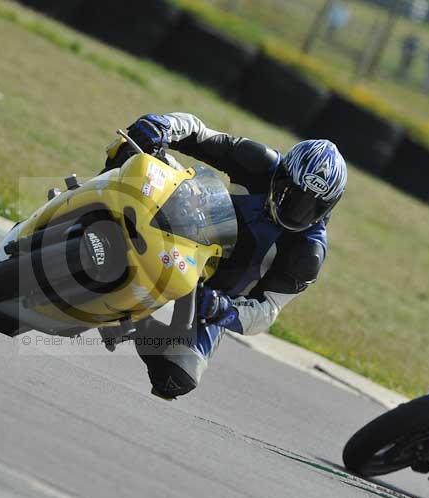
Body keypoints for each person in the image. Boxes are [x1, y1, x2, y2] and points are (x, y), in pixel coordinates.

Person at [103, 113, 347, 399]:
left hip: (214, 295)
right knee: (133, 151)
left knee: (177, 377)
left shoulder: (308, 253)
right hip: (186, 232)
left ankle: (132, 322)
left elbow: (267, 310)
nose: (296, 211)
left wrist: (225, 309)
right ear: (281, 174)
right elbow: (197, 133)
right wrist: (163, 125)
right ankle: (85, 208)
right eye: (290, 195)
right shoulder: (258, 162)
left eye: (310, 207)